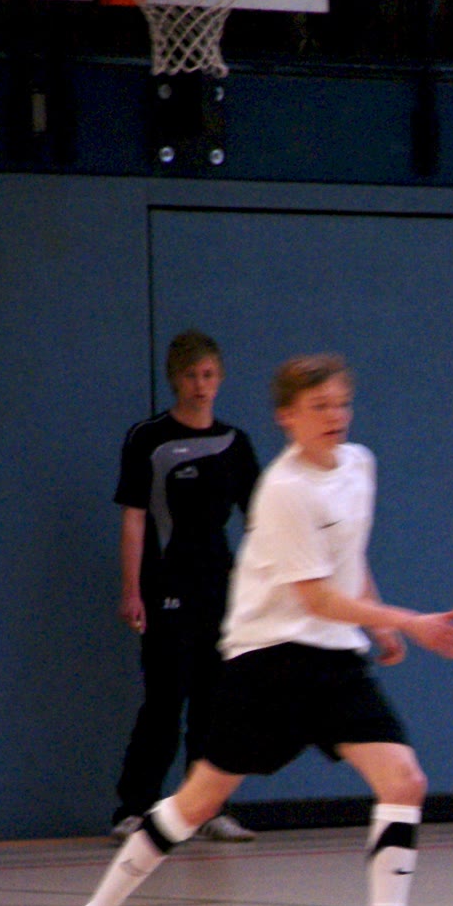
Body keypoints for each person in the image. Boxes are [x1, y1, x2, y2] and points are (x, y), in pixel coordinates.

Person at [49, 355, 453, 906]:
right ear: (286, 418)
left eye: (341, 403)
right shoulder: (283, 490)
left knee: (404, 780)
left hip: (334, 659)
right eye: (318, 407)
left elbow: (346, 558)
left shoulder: (360, 465)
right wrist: (408, 621)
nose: (334, 416)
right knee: (197, 803)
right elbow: (316, 597)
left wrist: (379, 621)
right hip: (266, 662)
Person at [111, 330, 261, 842]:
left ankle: (209, 808)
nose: (201, 385)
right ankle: (135, 807)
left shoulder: (236, 444)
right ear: (175, 379)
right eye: (191, 376)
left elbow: (261, 520)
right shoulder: (148, 439)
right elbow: (134, 518)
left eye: (209, 375)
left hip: (220, 587)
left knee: (215, 702)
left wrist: (258, 588)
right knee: (165, 698)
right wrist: (132, 589)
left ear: (220, 378)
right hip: (165, 586)